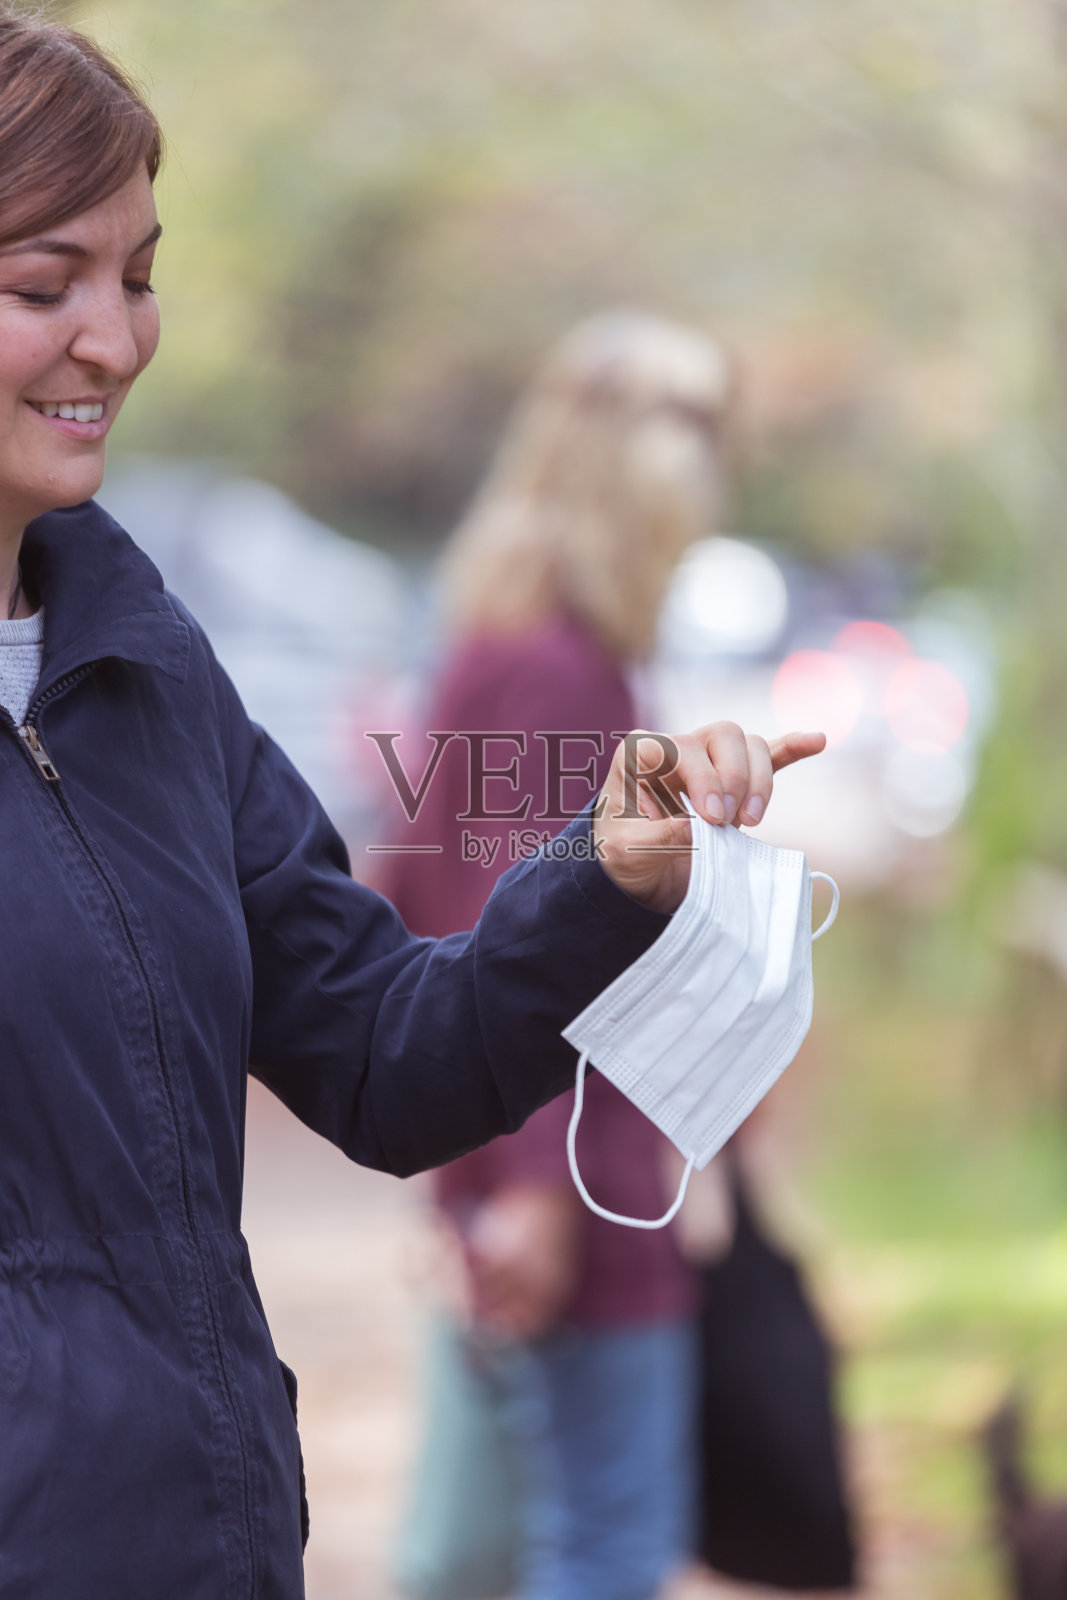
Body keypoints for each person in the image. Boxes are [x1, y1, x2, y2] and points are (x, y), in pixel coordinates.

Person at [0, 9, 822, 1596]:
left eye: (139, 276)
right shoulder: (536, 655)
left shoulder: (151, 672)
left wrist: (599, 875)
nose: (115, 338)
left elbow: (382, 1046)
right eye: (45, 287)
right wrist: (528, 1208)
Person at [384, 313, 733, 1600]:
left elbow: (415, 892)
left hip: (523, 1161)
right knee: (602, 1544)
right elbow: (519, 941)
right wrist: (535, 1189)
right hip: (578, 1178)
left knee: (510, 1545)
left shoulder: (499, 642)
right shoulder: (562, 671)